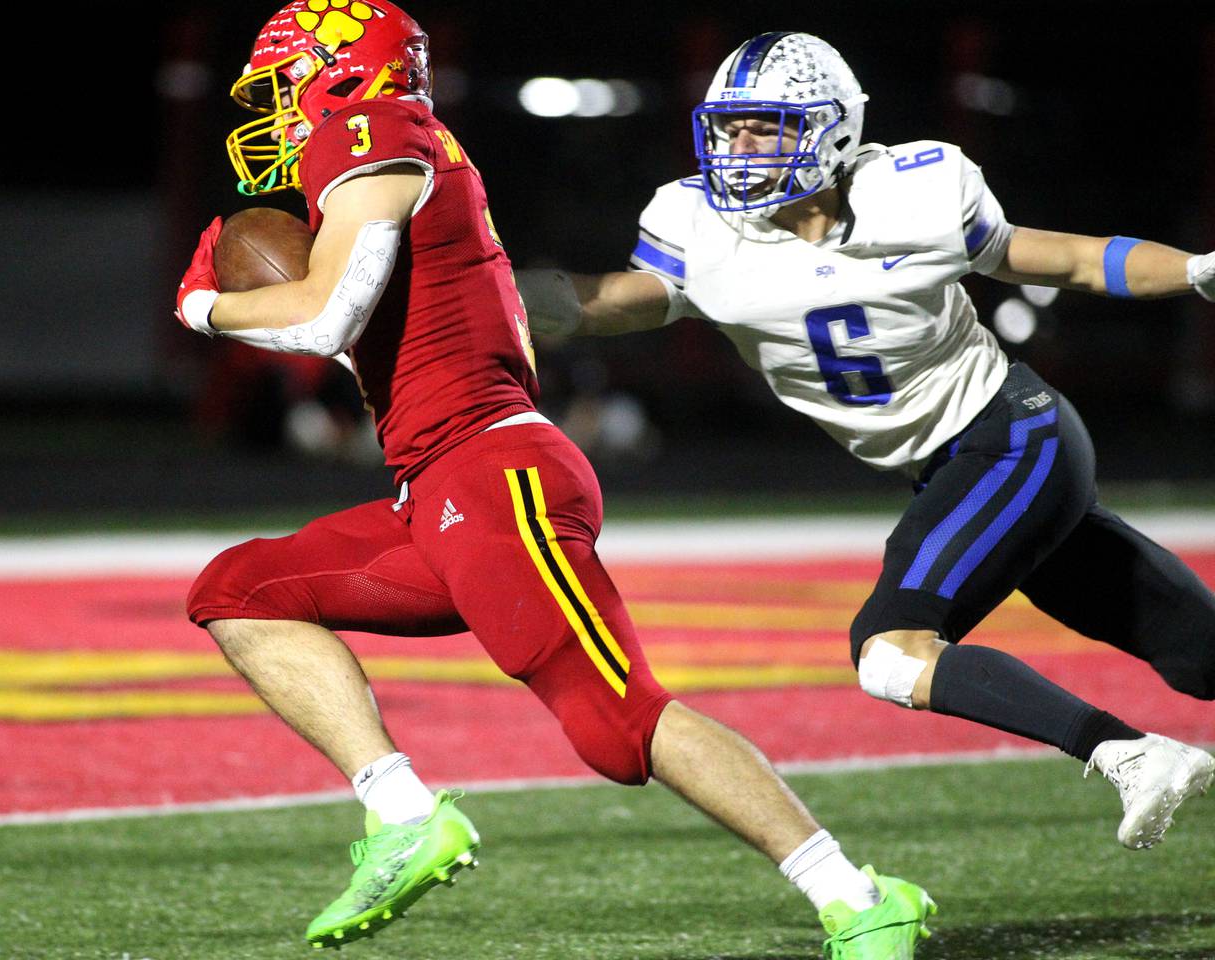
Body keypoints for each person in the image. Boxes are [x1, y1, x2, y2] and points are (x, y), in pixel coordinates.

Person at [175, 5, 936, 957]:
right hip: (440, 486)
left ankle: (859, 898)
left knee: (616, 722)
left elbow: (324, 318)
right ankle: (404, 814)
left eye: (287, 83)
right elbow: (372, 335)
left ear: (342, 74)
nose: (278, 112)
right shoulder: (384, 147)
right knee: (239, 591)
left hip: (497, 475)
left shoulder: (371, 131)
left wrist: (207, 306)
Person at [518, 31, 1215, 854]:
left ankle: (1125, 753)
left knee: (891, 650)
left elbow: (1064, 259)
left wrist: (1203, 268)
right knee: (1199, 653)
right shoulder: (696, 224)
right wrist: (472, 289)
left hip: (1011, 435)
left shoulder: (915, 189)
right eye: (728, 130)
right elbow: (601, 302)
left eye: (766, 127)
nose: (739, 151)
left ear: (833, 129)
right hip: (952, 468)